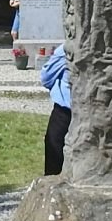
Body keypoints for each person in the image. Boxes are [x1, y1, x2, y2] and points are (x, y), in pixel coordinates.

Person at [38, 43, 70, 176]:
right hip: (91, 110)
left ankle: (52, 180)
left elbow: (46, 78)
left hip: (66, 110)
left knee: (54, 147)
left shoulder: (65, 50)